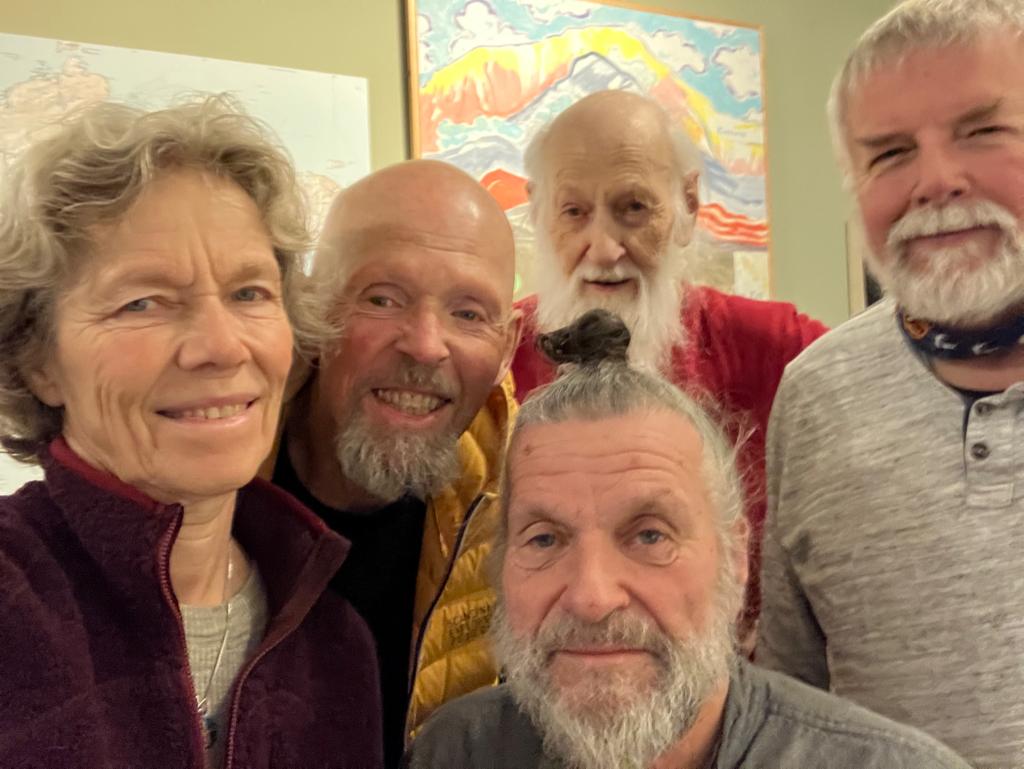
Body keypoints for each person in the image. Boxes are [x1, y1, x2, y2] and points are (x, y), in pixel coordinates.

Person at [405, 310, 969, 769]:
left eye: (650, 535)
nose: (592, 597)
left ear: (736, 558)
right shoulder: (457, 752)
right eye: (545, 540)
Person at [0, 98, 382, 769]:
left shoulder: (336, 647)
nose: (221, 346)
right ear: (39, 361)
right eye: (142, 302)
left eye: (249, 293)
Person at [758, 1, 1024, 766]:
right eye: (890, 153)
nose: (936, 180)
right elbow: (792, 701)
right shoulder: (815, 394)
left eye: (982, 131)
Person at [511, 90, 827, 639]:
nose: (603, 249)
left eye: (634, 208)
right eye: (573, 212)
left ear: (688, 206)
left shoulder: (781, 351)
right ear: (538, 211)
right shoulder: (496, 357)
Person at [265, 159, 522, 766]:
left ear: (507, 346)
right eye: (383, 299)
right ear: (313, 310)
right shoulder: (206, 490)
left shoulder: (525, 511)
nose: (426, 345)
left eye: (468, 313)